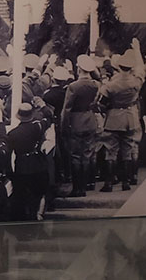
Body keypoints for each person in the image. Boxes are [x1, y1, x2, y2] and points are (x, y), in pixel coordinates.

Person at [98, 41, 146, 191]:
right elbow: (141, 68)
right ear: (130, 68)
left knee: (111, 152)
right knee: (127, 151)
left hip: (113, 117)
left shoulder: (111, 85)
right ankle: (126, 183)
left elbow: (101, 104)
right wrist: (137, 50)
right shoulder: (136, 81)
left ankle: (108, 183)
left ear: (118, 66)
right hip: (130, 116)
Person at [61, 55, 100, 197]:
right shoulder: (96, 85)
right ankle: (87, 185)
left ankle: (78, 188)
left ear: (79, 68)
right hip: (90, 120)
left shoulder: (73, 86)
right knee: (87, 154)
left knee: (76, 156)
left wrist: (64, 127)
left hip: (76, 121)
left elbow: (67, 109)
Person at [6, 103, 50, 221]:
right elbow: (49, 116)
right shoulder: (39, 126)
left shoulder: (12, 134)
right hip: (38, 163)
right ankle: (38, 214)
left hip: (22, 166)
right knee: (39, 192)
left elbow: (8, 154)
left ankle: (24, 219)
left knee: (21, 195)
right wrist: (42, 105)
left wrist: (10, 172)